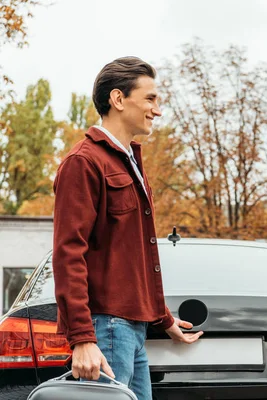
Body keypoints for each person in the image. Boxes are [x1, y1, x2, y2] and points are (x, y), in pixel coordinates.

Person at [52, 57, 202, 400]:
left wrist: (162, 318)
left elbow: (134, 256)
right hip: (105, 329)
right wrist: (83, 339)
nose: (157, 110)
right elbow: (68, 254)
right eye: (150, 99)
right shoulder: (84, 162)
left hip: (130, 332)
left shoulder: (129, 161)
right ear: (118, 100)